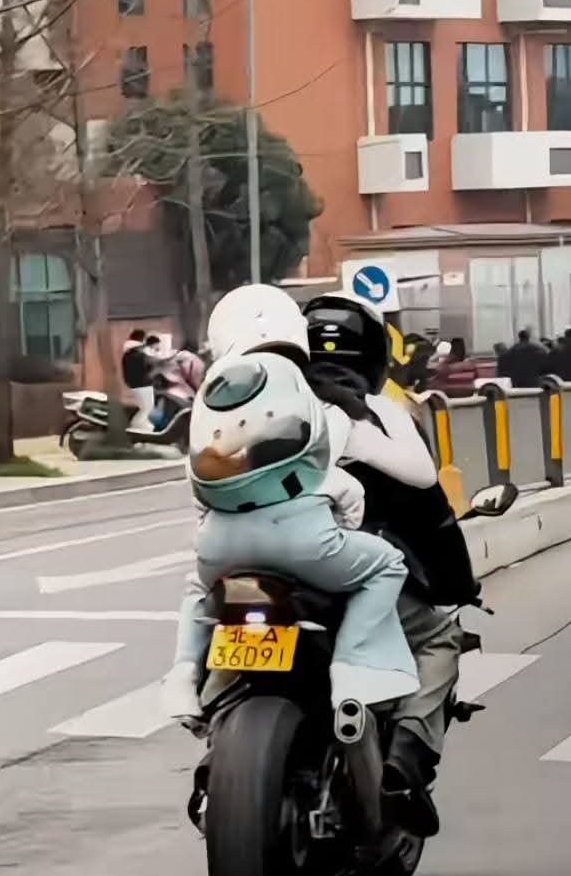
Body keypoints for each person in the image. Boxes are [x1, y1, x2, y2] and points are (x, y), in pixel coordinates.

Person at [165, 349, 420, 728]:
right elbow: (353, 502)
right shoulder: (308, 467)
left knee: (197, 591)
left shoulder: (215, 465)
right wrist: (342, 531)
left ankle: (184, 672)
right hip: (307, 549)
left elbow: (201, 507)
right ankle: (353, 664)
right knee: (388, 564)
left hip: (220, 553)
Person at [303, 292, 480, 837]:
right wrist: (457, 585)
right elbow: (430, 511)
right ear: (378, 358)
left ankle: (212, 730)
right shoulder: (380, 415)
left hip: (249, 567)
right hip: (352, 571)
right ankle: (407, 758)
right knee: (439, 638)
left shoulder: (261, 402)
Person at [121, 330, 158, 430]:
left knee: (144, 407)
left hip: (134, 383)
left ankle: (138, 425)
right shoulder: (140, 351)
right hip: (143, 383)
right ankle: (138, 426)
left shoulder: (129, 351)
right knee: (147, 407)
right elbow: (148, 364)